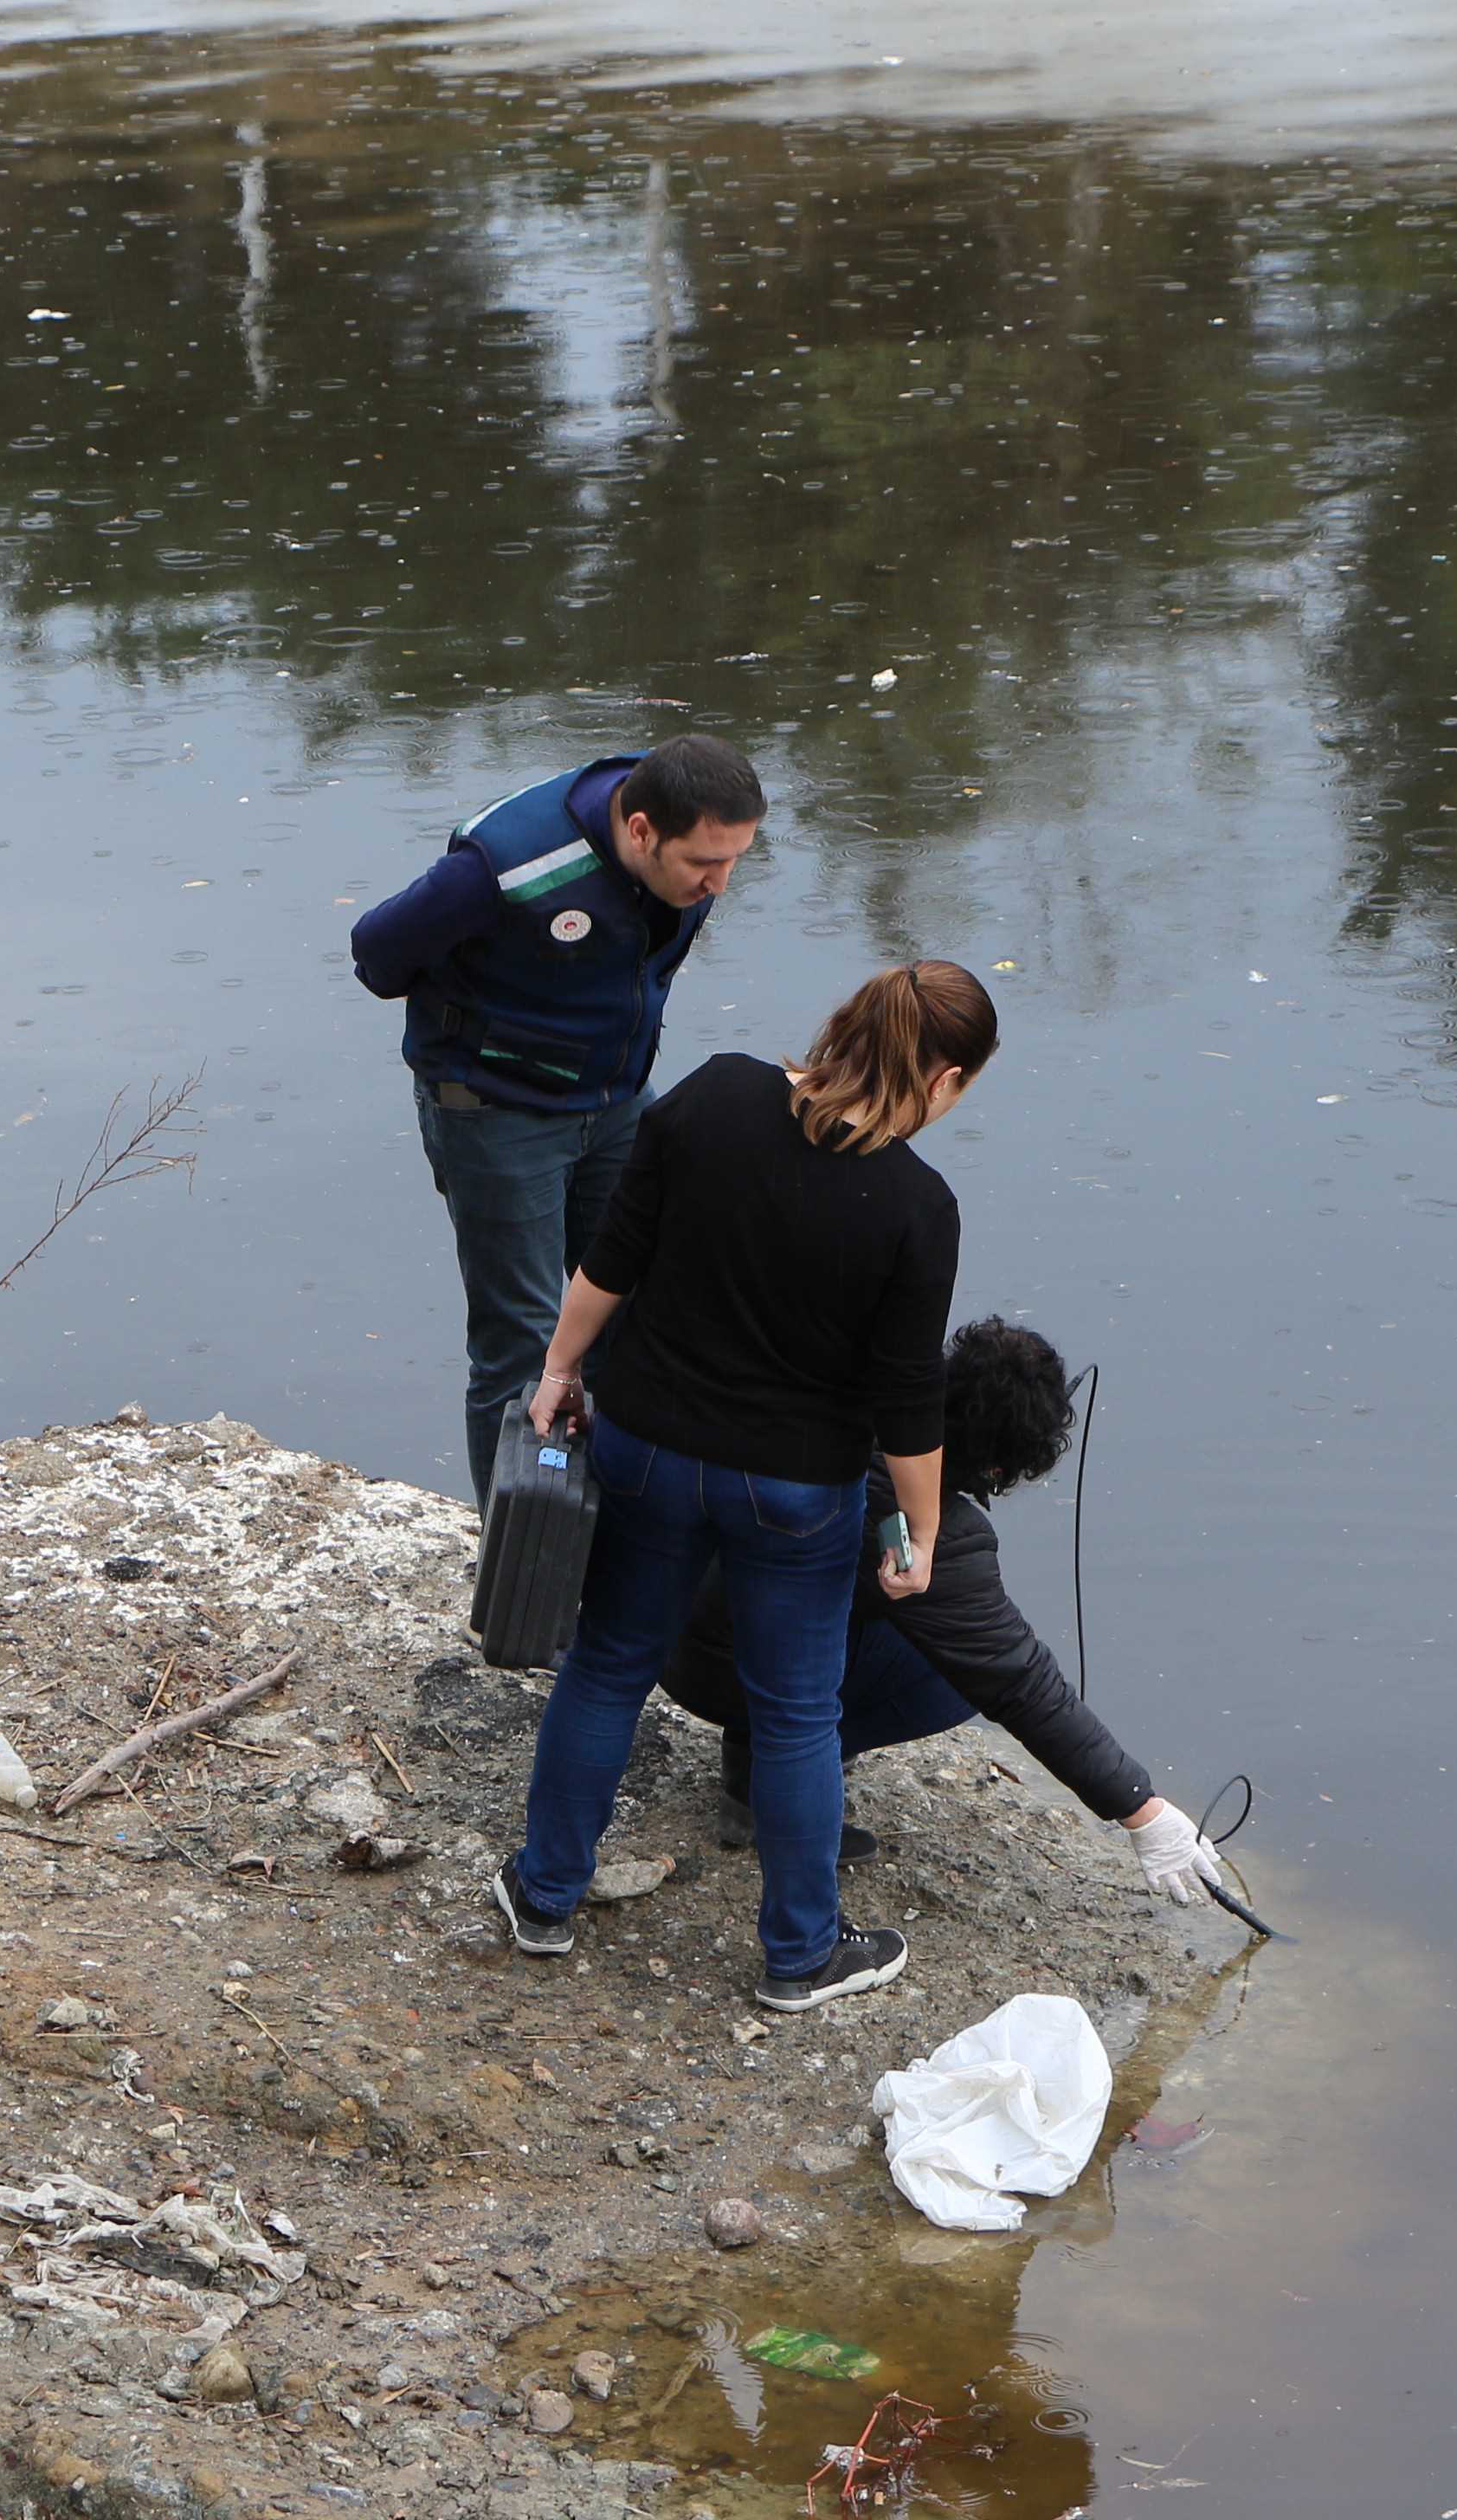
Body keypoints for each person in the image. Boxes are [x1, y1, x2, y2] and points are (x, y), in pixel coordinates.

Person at [495, 960, 998, 2012]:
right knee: (798, 1713)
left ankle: (543, 1899)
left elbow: (611, 1258)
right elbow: (908, 1397)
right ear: (945, 1078)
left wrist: (556, 1372)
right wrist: (923, 1530)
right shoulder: (917, 1206)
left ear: (845, 1022)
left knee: (609, 1666)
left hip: (645, 1449)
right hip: (795, 1491)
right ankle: (800, 1955)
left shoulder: (717, 1093)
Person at [662, 1318, 1237, 1909]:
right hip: (720, 1666)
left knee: (857, 1606)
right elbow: (1017, 1679)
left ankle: (756, 1764)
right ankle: (776, 1782)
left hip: (662, 1617)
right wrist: (1142, 1810)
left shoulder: (846, 1384)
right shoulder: (928, 1527)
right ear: (1000, 1466)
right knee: (957, 1673)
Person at [351, 734, 766, 1502]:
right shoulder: (507, 866)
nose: (719, 884)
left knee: (635, 1315)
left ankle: (612, 1533)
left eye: (735, 860)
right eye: (704, 865)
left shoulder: (682, 840)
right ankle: (519, 1562)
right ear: (640, 831)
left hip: (614, 1104)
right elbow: (377, 951)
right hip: (498, 1116)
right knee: (526, 1344)